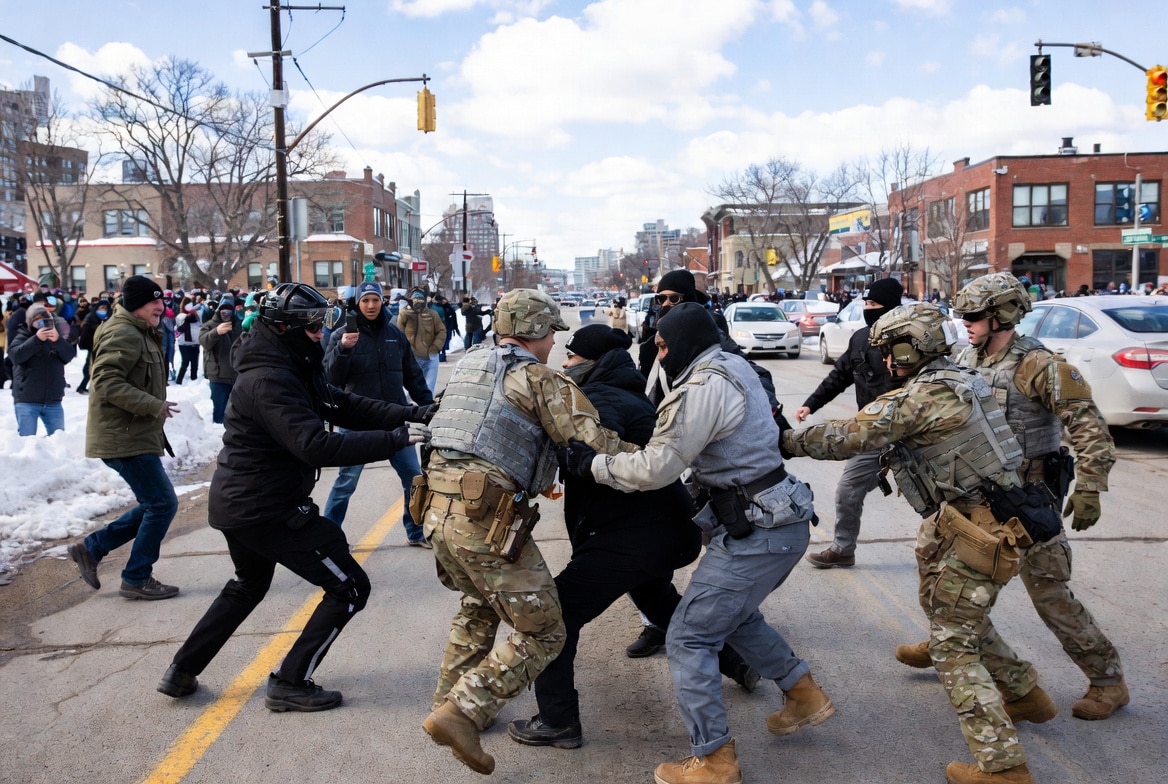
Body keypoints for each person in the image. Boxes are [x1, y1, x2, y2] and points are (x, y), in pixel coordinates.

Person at [783, 302, 1055, 784]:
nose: (887, 359)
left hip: (981, 526)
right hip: (971, 516)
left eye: (892, 349)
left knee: (951, 642)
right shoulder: (958, 378)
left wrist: (784, 440)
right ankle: (1023, 693)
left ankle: (1004, 768)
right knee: (950, 611)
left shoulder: (924, 396)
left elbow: (849, 437)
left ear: (914, 347)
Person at [560, 303, 831, 784]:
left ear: (683, 342)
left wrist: (591, 464)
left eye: (664, 346)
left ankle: (715, 761)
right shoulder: (734, 365)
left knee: (689, 637)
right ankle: (802, 692)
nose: (659, 356)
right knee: (733, 614)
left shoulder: (702, 388)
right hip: (772, 520)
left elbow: (656, 468)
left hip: (759, 529)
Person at [156, 282, 433, 711]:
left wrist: (413, 413)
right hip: (265, 508)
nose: (321, 333)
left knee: (248, 586)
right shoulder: (269, 379)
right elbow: (315, 446)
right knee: (350, 588)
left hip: (245, 502)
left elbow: (341, 404)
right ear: (284, 327)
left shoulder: (289, 361)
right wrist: (395, 438)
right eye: (313, 327)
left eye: (323, 324)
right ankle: (290, 682)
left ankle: (181, 671)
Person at [892, 272, 1126, 721]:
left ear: (1004, 314)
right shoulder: (964, 356)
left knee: (1049, 593)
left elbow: (1089, 426)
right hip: (968, 495)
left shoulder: (1040, 365)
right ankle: (949, 638)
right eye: (962, 316)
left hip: (1025, 501)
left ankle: (1107, 680)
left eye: (974, 316)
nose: (965, 323)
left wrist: (1091, 485)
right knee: (931, 560)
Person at [508, 324, 754, 751]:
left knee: (555, 613)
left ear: (592, 361)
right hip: (662, 530)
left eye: (571, 357)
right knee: (656, 598)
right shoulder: (625, 390)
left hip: (636, 535)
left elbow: (595, 453)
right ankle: (739, 664)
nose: (564, 365)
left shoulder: (598, 400)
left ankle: (557, 720)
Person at [418, 289, 630, 776]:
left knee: (478, 604)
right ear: (535, 330)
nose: (554, 342)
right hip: (483, 518)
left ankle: (445, 702)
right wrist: (655, 454)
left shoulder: (471, 365)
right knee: (546, 631)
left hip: (435, 511)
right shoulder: (537, 378)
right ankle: (463, 712)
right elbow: (596, 443)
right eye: (552, 332)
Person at [69, 276, 181, 600]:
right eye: (153, 302)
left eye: (161, 301)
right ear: (136, 305)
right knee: (162, 503)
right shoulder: (123, 332)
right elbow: (106, 382)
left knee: (156, 503)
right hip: (122, 435)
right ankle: (136, 577)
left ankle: (92, 548)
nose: (161, 306)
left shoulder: (139, 330)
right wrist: (152, 405)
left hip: (133, 433)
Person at [795, 278, 904, 568]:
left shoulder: (912, 341)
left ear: (891, 307)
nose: (868, 309)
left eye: (874, 304)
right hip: (872, 434)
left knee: (935, 497)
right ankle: (843, 549)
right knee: (847, 490)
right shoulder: (861, 339)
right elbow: (840, 376)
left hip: (913, 432)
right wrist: (811, 404)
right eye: (866, 303)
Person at [322, 280, 435, 546]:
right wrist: (343, 350)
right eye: (365, 300)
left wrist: (428, 407)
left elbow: (413, 375)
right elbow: (330, 379)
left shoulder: (394, 334)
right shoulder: (342, 336)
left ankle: (415, 532)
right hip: (356, 422)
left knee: (414, 478)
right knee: (346, 482)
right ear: (358, 303)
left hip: (394, 420)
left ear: (382, 302)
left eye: (375, 300)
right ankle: (329, 537)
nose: (371, 305)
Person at [8, 300, 76, 435]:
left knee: (58, 439)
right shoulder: (23, 336)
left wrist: (58, 341)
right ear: (30, 321)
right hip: (27, 400)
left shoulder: (55, 337)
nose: (41, 322)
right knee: (27, 441)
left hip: (53, 400)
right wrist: (37, 340)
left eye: (45, 318)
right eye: (37, 319)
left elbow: (69, 355)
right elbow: (15, 356)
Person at [199, 295, 242, 424]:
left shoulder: (237, 325)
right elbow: (204, 341)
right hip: (217, 376)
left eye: (229, 310)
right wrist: (216, 332)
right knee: (219, 410)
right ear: (218, 310)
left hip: (236, 376)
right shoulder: (209, 325)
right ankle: (217, 431)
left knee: (235, 410)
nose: (226, 313)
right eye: (223, 310)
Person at [398, 287, 445, 394]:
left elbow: (441, 331)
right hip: (412, 356)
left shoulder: (433, 314)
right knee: (411, 387)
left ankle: (427, 403)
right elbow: (399, 332)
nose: (418, 301)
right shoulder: (405, 313)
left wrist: (435, 347)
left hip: (431, 356)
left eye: (420, 298)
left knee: (429, 387)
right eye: (416, 298)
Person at [173, 297, 201, 384]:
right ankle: (179, 381)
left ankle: (194, 380)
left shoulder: (197, 315)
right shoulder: (180, 316)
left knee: (195, 363)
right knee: (185, 362)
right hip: (184, 344)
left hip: (195, 343)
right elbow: (182, 325)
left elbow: (200, 322)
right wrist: (190, 314)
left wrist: (195, 313)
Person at [436, 294, 459, 361]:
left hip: (448, 325)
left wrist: (455, 326)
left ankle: (443, 354)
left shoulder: (449, 308)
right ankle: (442, 354)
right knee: (443, 340)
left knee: (447, 338)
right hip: (443, 326)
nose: (444, 302)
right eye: (443, 301)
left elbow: (453, 316)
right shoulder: (441, 308)